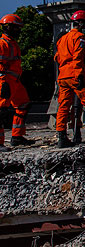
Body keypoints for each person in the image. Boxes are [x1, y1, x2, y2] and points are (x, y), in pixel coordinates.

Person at [54, 10, 85, 147]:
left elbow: (57, 58)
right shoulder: (80, 38)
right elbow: (78, 58)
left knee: (64, 106)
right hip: (75, 74)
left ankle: (61, 137)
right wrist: (79, 75)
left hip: (63, 76)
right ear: (81, 23)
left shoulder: (62, 39)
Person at [0, 14, 35, 148]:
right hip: (5, 81)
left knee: (23, 104)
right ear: (8, 27)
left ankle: (17, 136)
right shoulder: (2, 43)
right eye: (16, 28)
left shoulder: (12, 43)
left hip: (14, 80)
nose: (18, 31)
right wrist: (3, 82)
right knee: (1, 111)